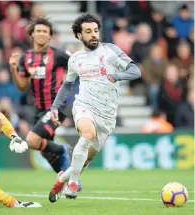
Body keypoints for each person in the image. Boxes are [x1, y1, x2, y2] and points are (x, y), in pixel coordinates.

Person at [48, 13, 141, 202]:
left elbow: (135, 71)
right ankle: (73, 184)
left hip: (107, 115)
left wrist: (117, 75)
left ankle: (64, 178)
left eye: (96, 31)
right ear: (79, 36)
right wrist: (55, 106)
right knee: (87, 134)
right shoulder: (75, 59)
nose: (93, 35)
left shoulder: (111, 51)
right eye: (88, 31)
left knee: (85, 160)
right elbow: (67, 84)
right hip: (84, 105)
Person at [9, 18, 74, 177]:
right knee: (45, 150)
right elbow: (22, 86)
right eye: (38, 31)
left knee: (31, 141)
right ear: (32, 34)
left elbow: (77, 64)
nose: (41, 34)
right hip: (38, 108)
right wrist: (13, 69)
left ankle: (63, 149)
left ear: (50, 36)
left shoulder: (59, 54)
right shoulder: (26, 58)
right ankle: (68, 179)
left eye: (45, 31)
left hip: (56, 107)